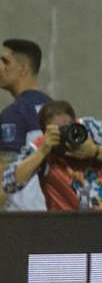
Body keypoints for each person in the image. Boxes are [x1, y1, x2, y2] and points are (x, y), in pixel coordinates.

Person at [2, 100, 102, 210]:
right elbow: (9, 183)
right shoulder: (41, 146)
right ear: (45, 132)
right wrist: (43, 151)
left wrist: (95, 151)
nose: (66, 135)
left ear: (75, 122)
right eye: (59, 131)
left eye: (69, 127)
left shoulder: (89, 127)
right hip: (70, 228)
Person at [0, 39, 50, 211]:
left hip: (20, 220)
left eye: (6, 61)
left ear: (23, 69)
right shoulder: (55, 109)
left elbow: (4, 181)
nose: (1, 67)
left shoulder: (14, 113)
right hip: (53, 218)